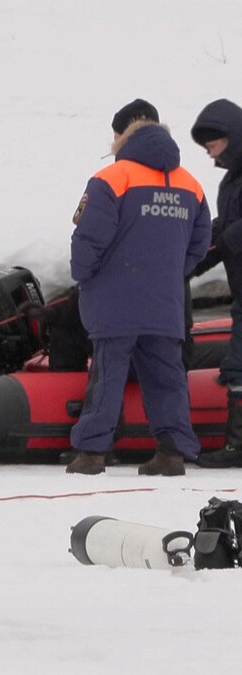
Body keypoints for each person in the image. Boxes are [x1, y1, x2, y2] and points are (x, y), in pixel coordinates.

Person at [65, 112, 212, 476]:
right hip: (164, 303)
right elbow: (200, 243)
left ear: (123, 142)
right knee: (168, 378)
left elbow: (89, 238)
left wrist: (84, 276)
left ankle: (92, 452)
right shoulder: (191, 185)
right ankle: (173, 452)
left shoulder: (111, 178)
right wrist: (169, 274)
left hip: (114, 301)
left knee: (107, 375)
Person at [191, 99, 242, 468]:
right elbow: (223, 227)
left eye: (211, 147)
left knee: (239, 367)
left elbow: (230, 232)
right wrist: (190, 257)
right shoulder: (232, 180)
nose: (210, 157)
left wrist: (224, 240)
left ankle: (237, 446)